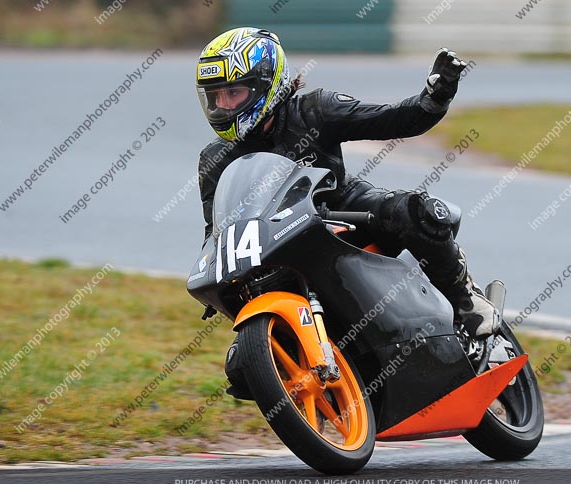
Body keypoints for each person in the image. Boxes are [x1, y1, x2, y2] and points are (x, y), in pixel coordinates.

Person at [195, 27, 498, 348]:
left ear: (266, 84)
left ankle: (464, 298)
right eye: (216, 97)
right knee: (239, 367)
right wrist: (215, 280)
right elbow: (217, 229)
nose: (223, 106)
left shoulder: (315, 110)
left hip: (345, 209)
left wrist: (434, 98)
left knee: (412, 210)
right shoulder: (214, 158)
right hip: (277, 246)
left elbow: (391, 119)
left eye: (233, 93)